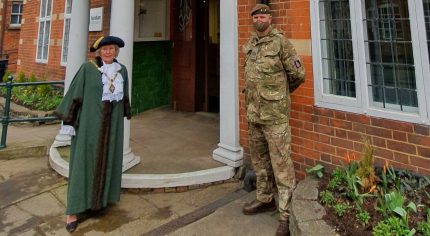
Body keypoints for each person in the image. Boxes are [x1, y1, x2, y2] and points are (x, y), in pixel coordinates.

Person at [54, 35, 131, 233]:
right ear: (98, 51)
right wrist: (69, 121)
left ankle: (99, 202)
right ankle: (73, 211)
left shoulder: (122, 71)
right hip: (89, 125)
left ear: (116, 51)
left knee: (108, 161)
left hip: (112, 126)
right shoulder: (88, 69)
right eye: (104, 49)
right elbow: (75, 94)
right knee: (83, 165)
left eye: (112, 49)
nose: (108, 52)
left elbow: (124, 98)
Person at [241, 4, 305, 236]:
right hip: (254, 115)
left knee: (282, 165)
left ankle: (286, 215)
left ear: (270, 18)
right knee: (260, 162)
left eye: (263, 16)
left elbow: (298, 74)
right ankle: (264, 198)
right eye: (256, 16)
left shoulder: (281, 43)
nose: (259, 19)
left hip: (275, 116)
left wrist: (280, 95)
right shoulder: (250, 45)